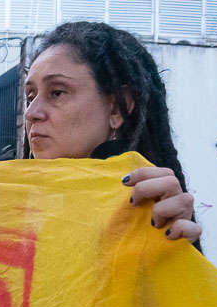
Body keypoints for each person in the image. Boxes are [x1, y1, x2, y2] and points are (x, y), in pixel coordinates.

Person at [24, 21, 201, 244]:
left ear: (117, 107)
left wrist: (175, 258)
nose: (31, 113)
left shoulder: (151, 212)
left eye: (57, 92)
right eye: (30, 97)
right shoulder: (3, 208)